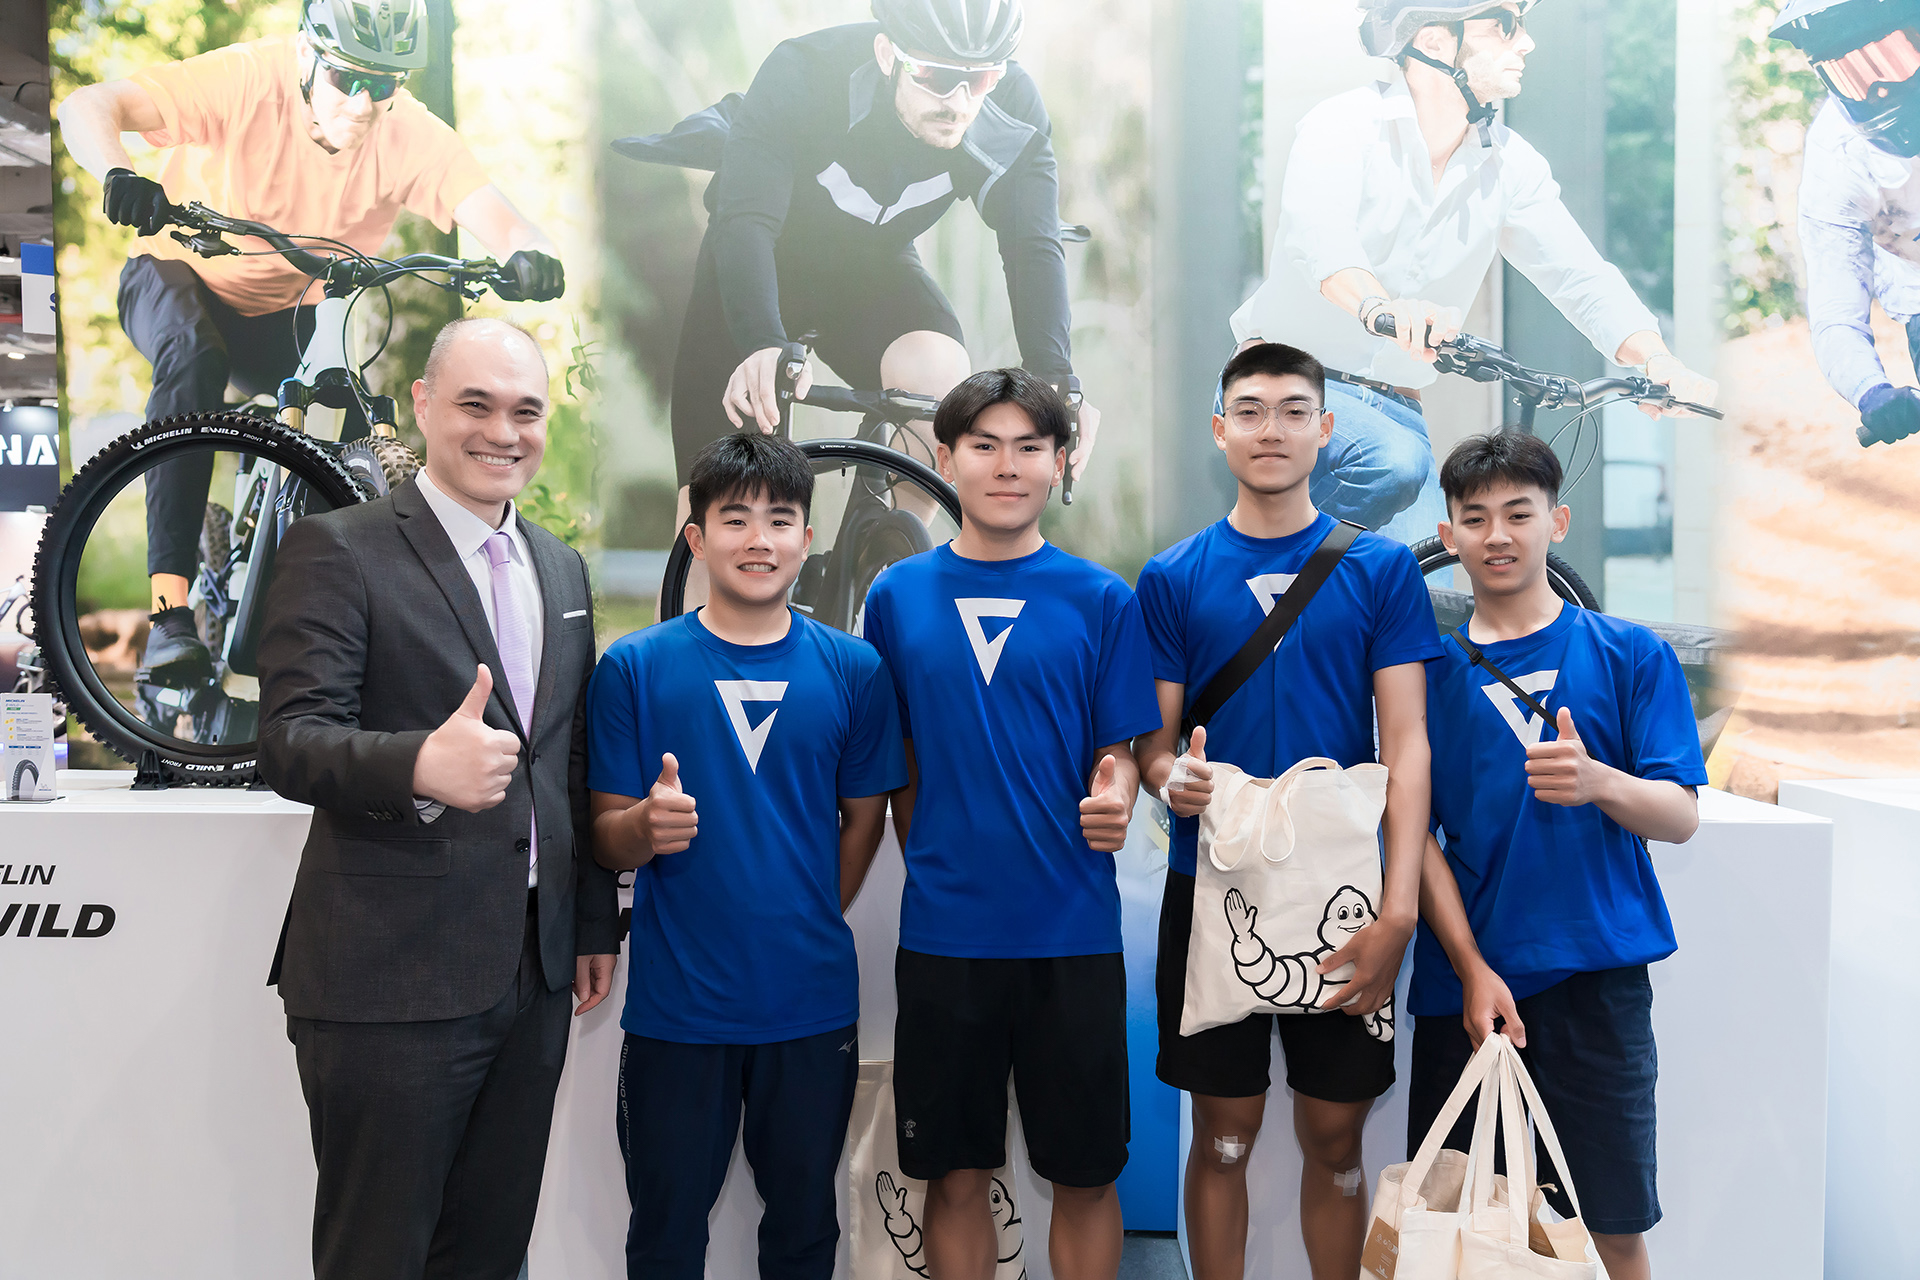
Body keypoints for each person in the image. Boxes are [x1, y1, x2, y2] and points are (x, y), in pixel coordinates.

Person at [58, 0, 566, 689]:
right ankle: (170, 613)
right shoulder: (244, 79)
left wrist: (529, 254)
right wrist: (119, 173)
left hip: (290, 307)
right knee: (194, 354)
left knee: (351, 425)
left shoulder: (409, 133)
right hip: (177, 273)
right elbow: (89, 105)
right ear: (306, 55)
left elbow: (500, 217)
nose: (362, 103)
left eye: (380, 84)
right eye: (345, 78)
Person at [256, 318, 618, 1280]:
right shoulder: (340, 548)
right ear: (422, 405)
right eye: (476, 405)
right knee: (378, 1257)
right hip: (389, 976)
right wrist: (419, 764)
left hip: (533, 976)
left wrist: (590, 922)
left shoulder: (559, 566)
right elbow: (289, 740)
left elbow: (567, 761)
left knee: (489, 1256)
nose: (503, 431)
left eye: (525, 411)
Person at [1134, 342, 1441, 1280]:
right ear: (1220, 429)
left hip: (1344, 899)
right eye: (1251, 410)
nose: (1272, 429)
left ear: (1326, 429)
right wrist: (1168, 782)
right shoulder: (1172, 575)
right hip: (1212, 887)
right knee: (1223, 1136)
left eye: (1294, 411)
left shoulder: (1381, 569)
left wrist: (1400, 912)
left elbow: (1408, 745)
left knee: (1337, 1139)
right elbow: (1153, 749)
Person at [860, 369, 1161, 1280]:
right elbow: (895, 758)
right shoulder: (896, 596)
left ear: (1059, 462)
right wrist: (939, 861)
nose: (1007, 465)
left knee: (1087, 1177)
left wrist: (1116, 795)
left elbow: (1118, 752)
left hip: (1073, 936)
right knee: (954, 1177)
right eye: (984, 445)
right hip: (946, 938)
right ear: (945, 457)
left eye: (1030, 446)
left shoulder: (1101, 598)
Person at [584, 431, 906, 1280]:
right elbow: (605, 831)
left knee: (803, 1233)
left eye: (780, 519)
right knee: (664, 1237)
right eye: (734, 519)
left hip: (810, 1008)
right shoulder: (633, 668)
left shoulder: (856, 670)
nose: (758, 539)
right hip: (676, 1013)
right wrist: (644, 829)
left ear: (807, 538)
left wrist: (808, 907)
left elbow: (864, 819)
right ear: (696, 537)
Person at [1228, 0, 1716, 544]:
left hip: (1396, 410)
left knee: (1428, 575)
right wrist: (1379, 307)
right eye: (1504, 26)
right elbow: (1321, 238)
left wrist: (1657, 358)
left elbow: (1579, 276)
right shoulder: (1343, 124)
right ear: (1434, 40)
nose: (1526, 43)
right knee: (1391, 466)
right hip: (1283, 387)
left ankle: (1298, 586)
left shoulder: (1511, 164)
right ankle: (1258, 574)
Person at [1409, 431, 1706, 1280]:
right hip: (1470, 990)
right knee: (1462, 1228)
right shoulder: (1428, 677)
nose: (1498, 535)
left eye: (1519, 513)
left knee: (1611, 1227)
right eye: (1476, 519)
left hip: (1597, 984)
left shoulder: (1630, 653)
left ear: (1557, 523)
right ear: (1450, 536)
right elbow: (1415, 838)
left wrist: (1597, 780)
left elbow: (1679, 817)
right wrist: (1470, 968)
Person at [628, 0, 1101, 531]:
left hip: (873, 275)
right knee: (714, 516)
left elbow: (1032, 245)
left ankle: (887, 556)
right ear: (887, 55)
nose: (958, 101)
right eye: (935, 76)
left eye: (980, 79)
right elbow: (745, 222)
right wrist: (760, 340)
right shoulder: (805, 74)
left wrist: (1056, 378)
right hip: (759, 266)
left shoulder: (1011, 112)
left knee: (941, 380)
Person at [1773, 0, 1920, 445]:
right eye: (1851, 73)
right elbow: (1836, 308)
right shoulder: (1836, 156)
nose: (1879, 92)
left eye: (1892, 59)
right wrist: (1870, 390)